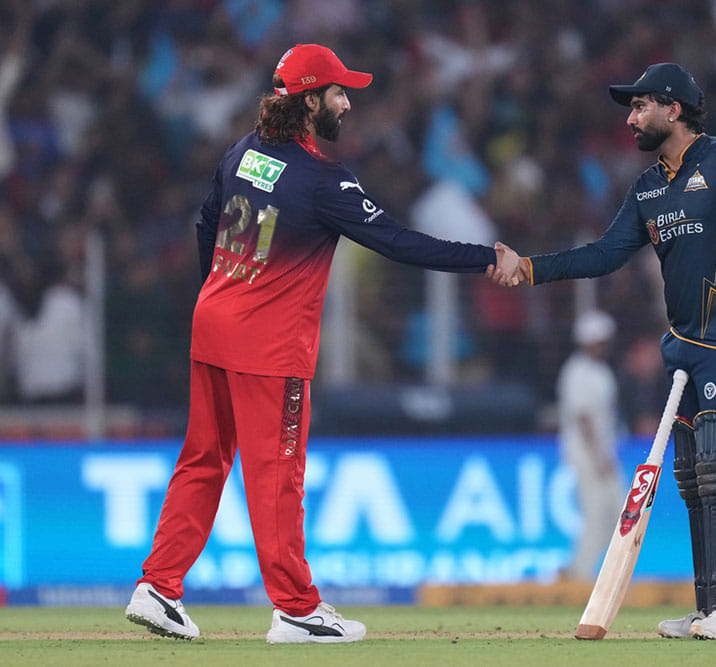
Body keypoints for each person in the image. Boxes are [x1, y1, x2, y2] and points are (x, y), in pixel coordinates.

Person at [125, 44, 517, 644]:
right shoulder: (322, 179)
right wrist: (484, 257)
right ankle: (296, 609)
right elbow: (398, 243)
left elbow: (207, 223)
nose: (347, 102)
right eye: (338, 92)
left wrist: (225, 292)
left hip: (214, 325)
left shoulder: (243, 152)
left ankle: (158, 587)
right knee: (277, 472)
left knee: (202, 459)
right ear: (310, 100)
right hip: (267, 346)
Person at [489, 63, 716, 639]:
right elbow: (605, 255)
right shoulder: (649, 187)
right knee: (694, 474)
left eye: (640, 107)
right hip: (685, 345)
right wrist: (528, 268)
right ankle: (712, 607)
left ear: (673, 108)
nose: (630, 118)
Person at [556, 310, 622, 581]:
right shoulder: (577, 371)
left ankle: (586, 569)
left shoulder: (600, 370)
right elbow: (583, 419)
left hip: (603, 451)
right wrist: (599, 455)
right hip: (588, 453)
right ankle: (579, 573)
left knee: (618, 513)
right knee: (597, 512)